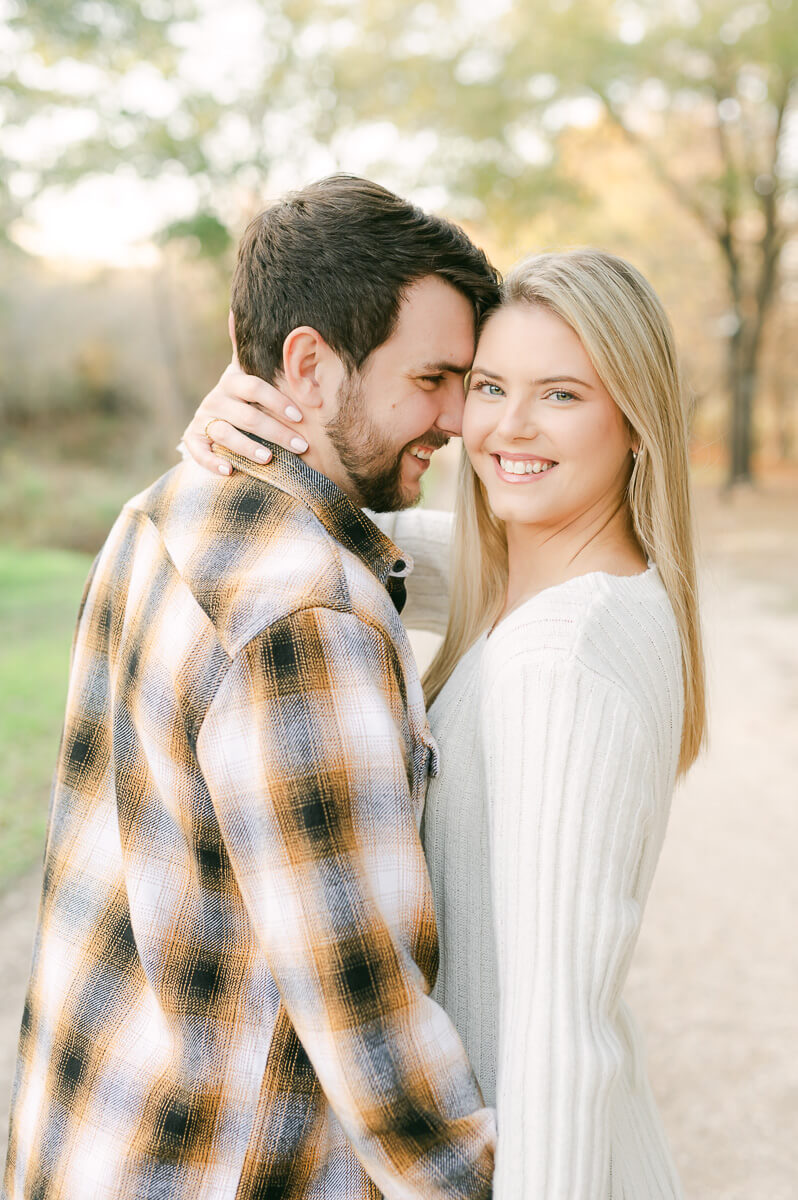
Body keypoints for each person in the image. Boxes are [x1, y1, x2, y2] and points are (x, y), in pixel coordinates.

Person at [3, 176, 503, 1200]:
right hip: (209, 1168)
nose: (460, 417)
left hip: (89, 1144)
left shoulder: (164, 509)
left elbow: (392, 560)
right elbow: (372, 1032)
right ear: (309, 366)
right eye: (435, 377)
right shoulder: (305, 621)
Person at [182, 246, 706, 1198]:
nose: (504, 426)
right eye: (490, 385)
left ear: (636, 419)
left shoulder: (564, 659)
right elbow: (332, 534)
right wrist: (242, 419)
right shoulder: (531, 573)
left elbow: (558, 1035)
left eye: (560, 396)